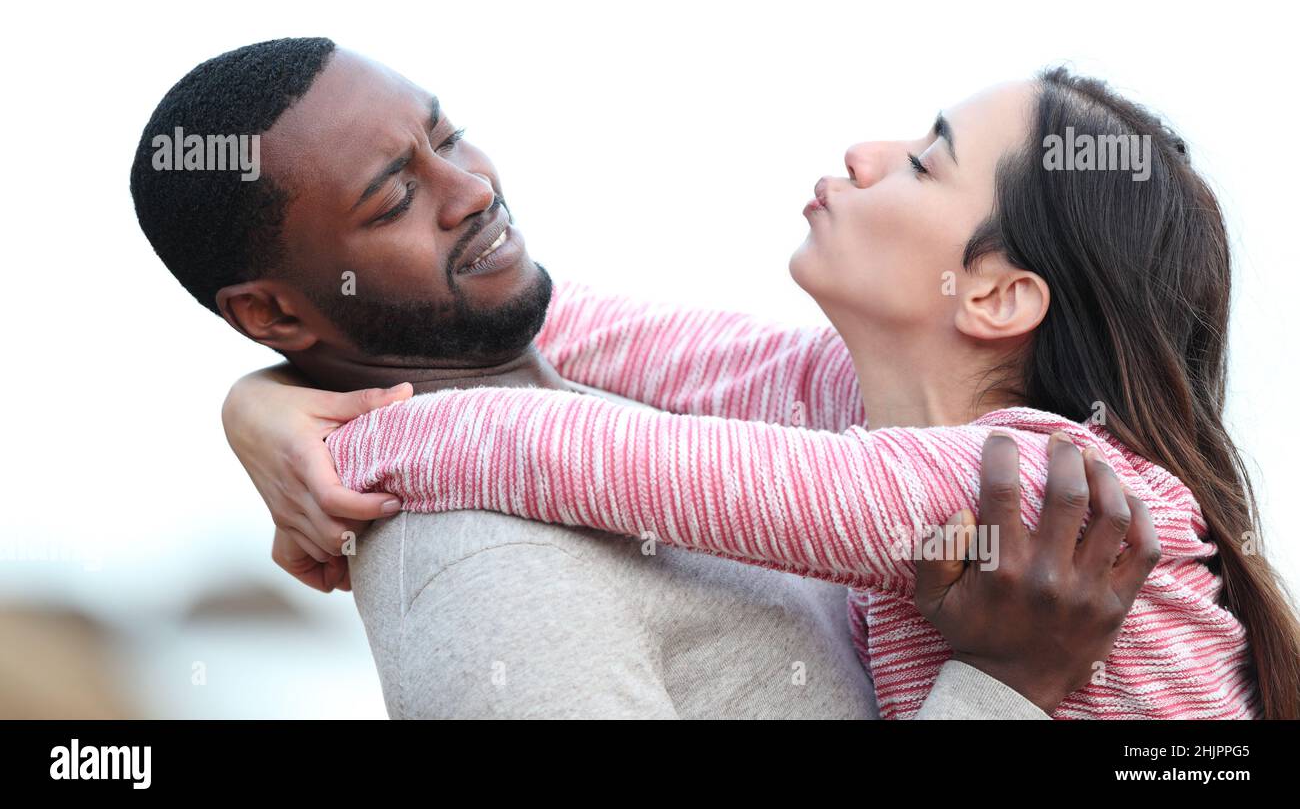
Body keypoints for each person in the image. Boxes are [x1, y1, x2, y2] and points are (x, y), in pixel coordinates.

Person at [227, 62, 1300, 718]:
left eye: (926, 160)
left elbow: (603, 461)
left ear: (994, 293)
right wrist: (268, 391)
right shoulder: (841, 395)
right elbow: (540, 319)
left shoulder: (1021, 489)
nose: (867, 152)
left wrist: (351, 450)